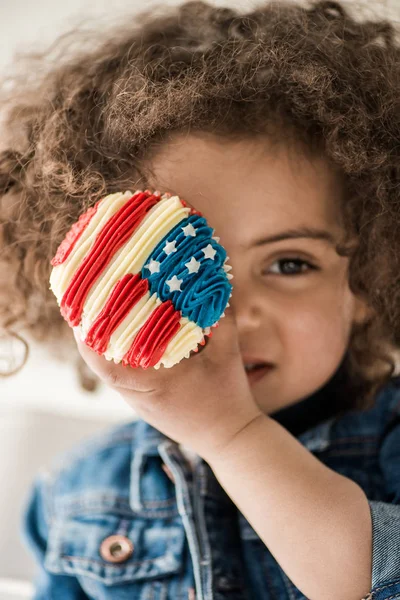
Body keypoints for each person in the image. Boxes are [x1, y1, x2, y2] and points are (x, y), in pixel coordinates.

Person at [1, 0, 400, 598]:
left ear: (368, 277)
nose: (233, 312)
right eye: (178, 268)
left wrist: (231, 433)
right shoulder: (74, 496)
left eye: (289, 264)